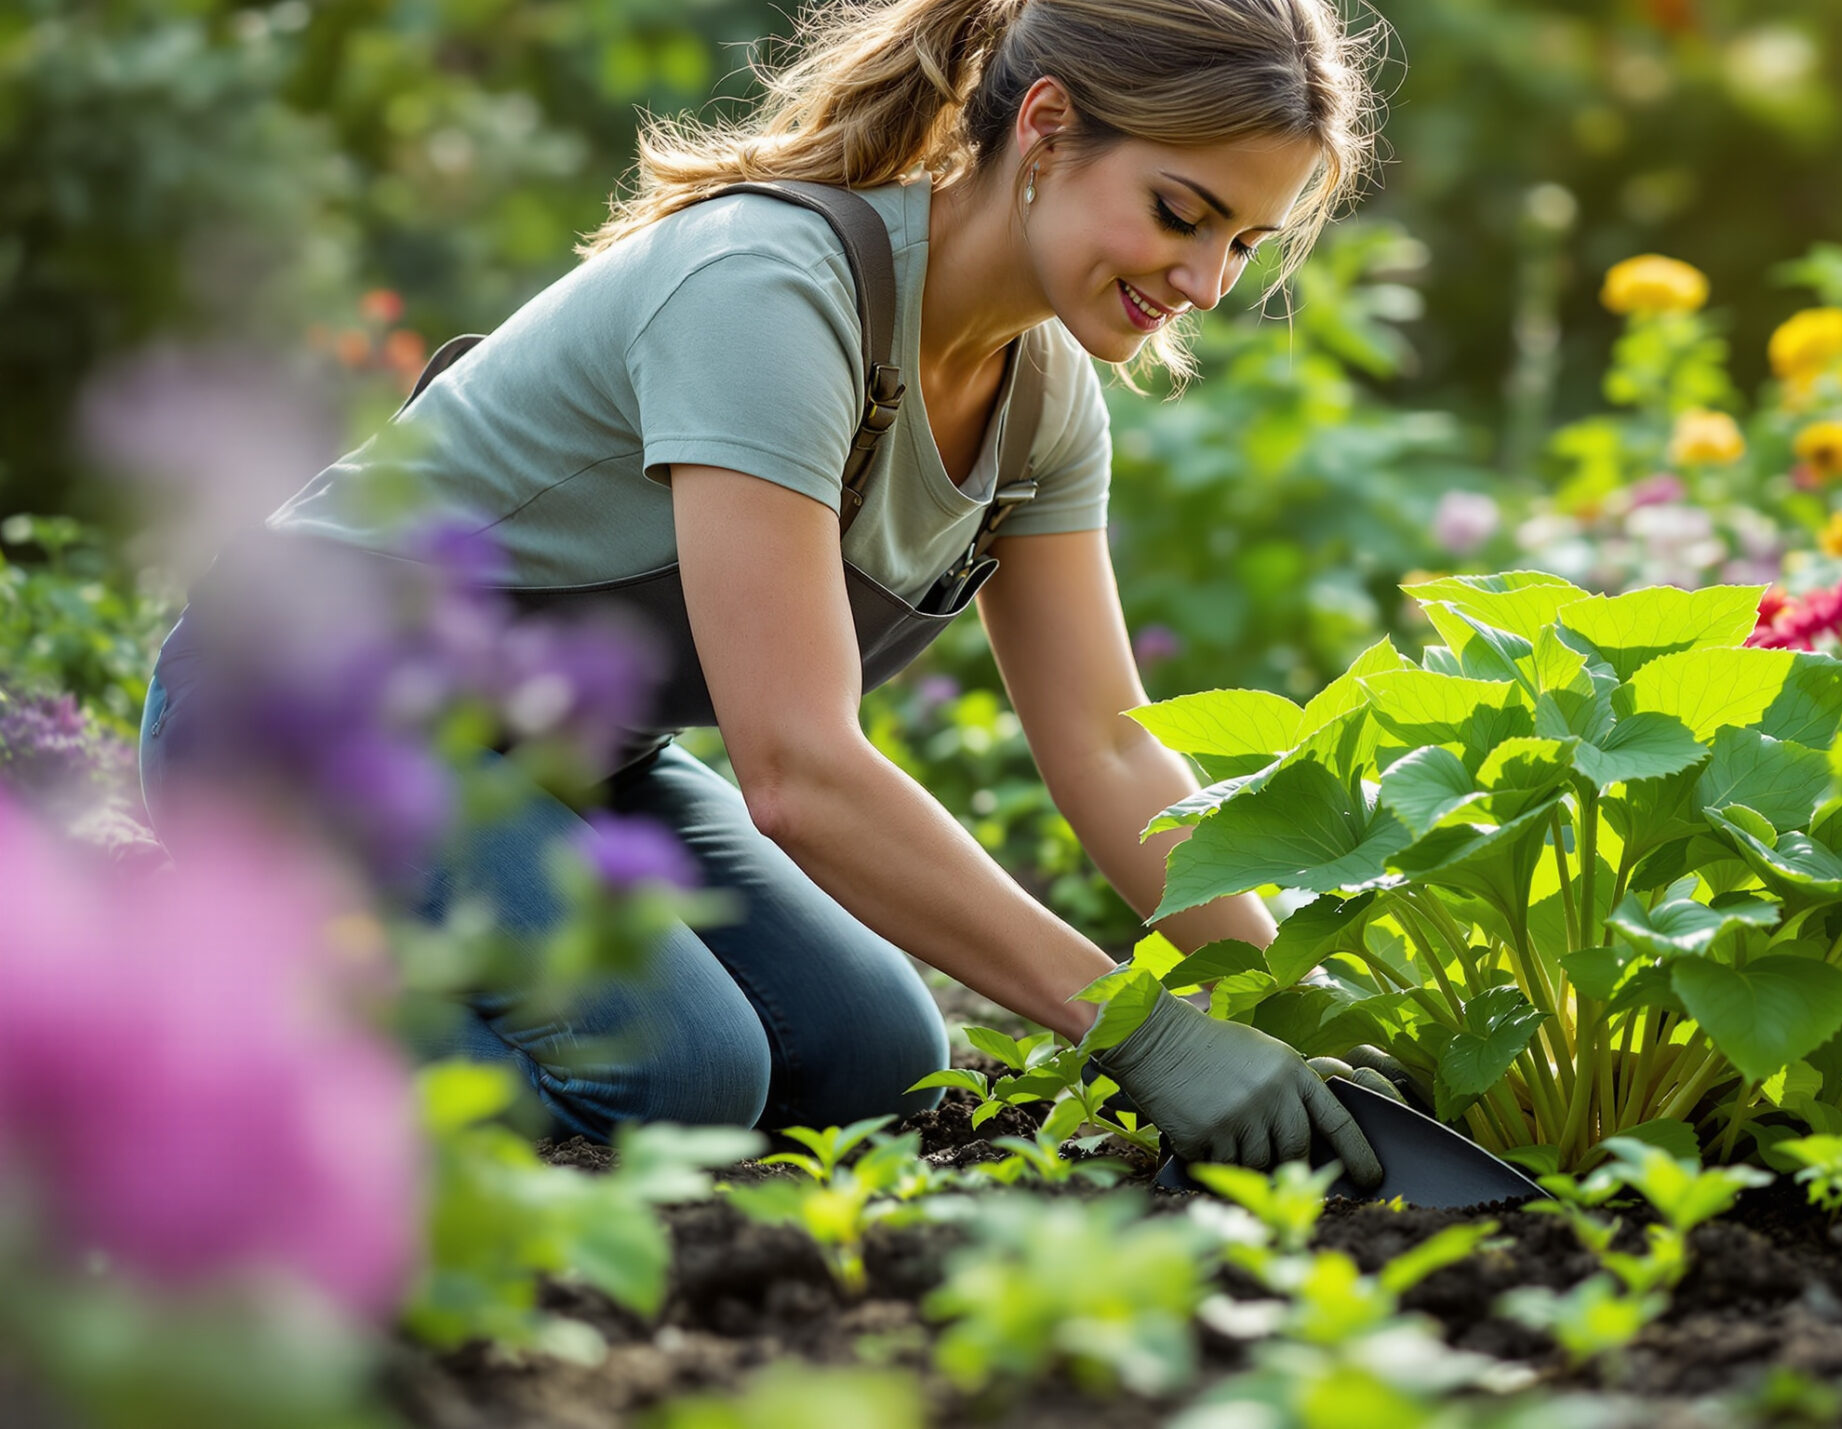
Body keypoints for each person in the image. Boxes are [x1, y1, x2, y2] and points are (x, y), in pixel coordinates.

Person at [135, 0, 1393, 1183]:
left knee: (873, 1058)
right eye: (1182, 213)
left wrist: (1294, 1005)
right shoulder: (770, 290)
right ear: (1049, 126)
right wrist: (1143, 1029)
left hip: (571, 758)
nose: (1209, 282)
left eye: (1242, 242)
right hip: (308, 707)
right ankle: (173, 1036)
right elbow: (795, 769)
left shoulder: (1041, 399)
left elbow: (1116, 751)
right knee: (673, 1071)